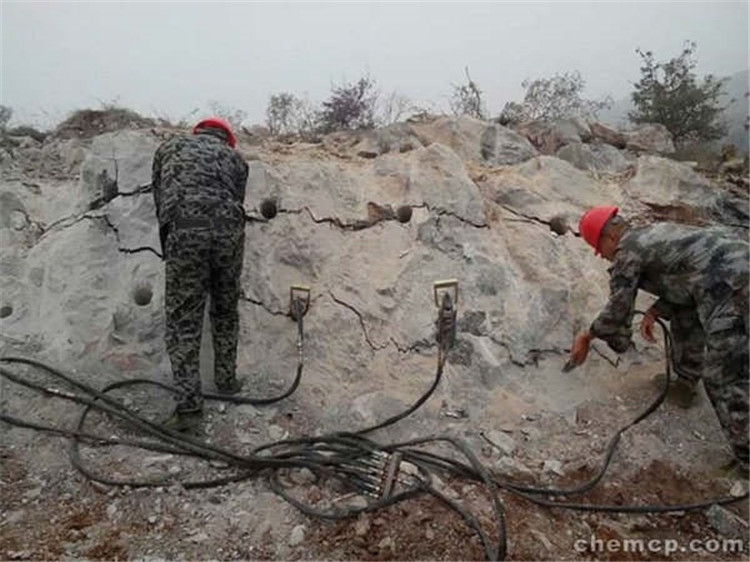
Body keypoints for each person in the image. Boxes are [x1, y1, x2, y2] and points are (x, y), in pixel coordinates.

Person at [568, 206, 749, 474]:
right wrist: (657, 309)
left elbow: (619, 304)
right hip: (734, 267)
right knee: (685, 314)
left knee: (723, 376)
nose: (606, 259)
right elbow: (689, 273)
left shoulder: (626, 251)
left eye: (600, 251)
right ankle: (685, 382)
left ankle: (747, 459)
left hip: (733, 286)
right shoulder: (651, 234)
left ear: (609, 238)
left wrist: (588, 335)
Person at [151, 117, 249, 431]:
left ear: (198, 132)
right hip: (228, 234)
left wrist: (169, 239)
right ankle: (227, 381)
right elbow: (237, 200)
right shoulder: (237, 160)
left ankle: (190, 413)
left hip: (186, 231)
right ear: (227, 140)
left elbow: (160, 196)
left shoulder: (170, 148)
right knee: (225, 309)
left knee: (183, 321)